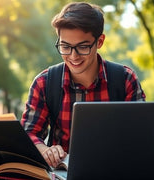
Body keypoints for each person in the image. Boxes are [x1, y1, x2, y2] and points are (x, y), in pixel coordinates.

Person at [20, 2, 146, 168]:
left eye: (83, 47)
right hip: (63, 174)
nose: (73, 56)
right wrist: (44, 149)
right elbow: (29, 133)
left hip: (116, 170)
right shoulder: (44, 83)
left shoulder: (125, 79)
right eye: (65, 46)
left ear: (99, 42)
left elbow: (142, 136)